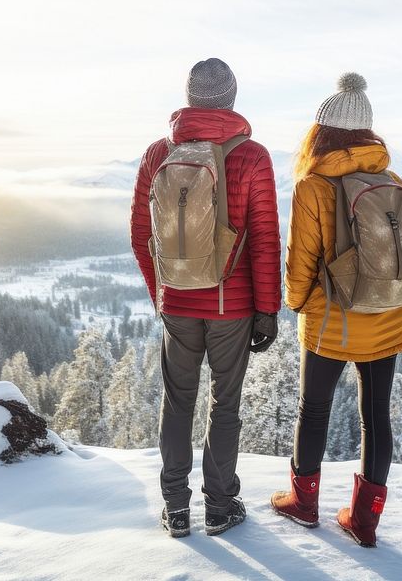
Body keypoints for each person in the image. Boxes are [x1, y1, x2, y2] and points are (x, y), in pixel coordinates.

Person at [271, 72, 402, 548]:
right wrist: (386, 293)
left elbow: (300, 260)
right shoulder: (392, 181)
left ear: (321, 132)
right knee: (376, 415)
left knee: (314, 409)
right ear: (367, 134)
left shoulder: (312, 186)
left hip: (330, 321)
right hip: (386, 322)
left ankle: (303, 503)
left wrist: (299, 304)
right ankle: (364, 521)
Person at [131, 58, 281, 538]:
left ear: (190, 97)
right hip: (231, 306)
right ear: (232, 99)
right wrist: (267, 310)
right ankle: (220, 506)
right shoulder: (252, 156)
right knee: (225, 403)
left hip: (178, 303)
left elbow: (141, 232)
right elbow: (263, 238)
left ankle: (176, 507)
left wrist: (163, 290)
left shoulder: (159, 153)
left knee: (177, 403)